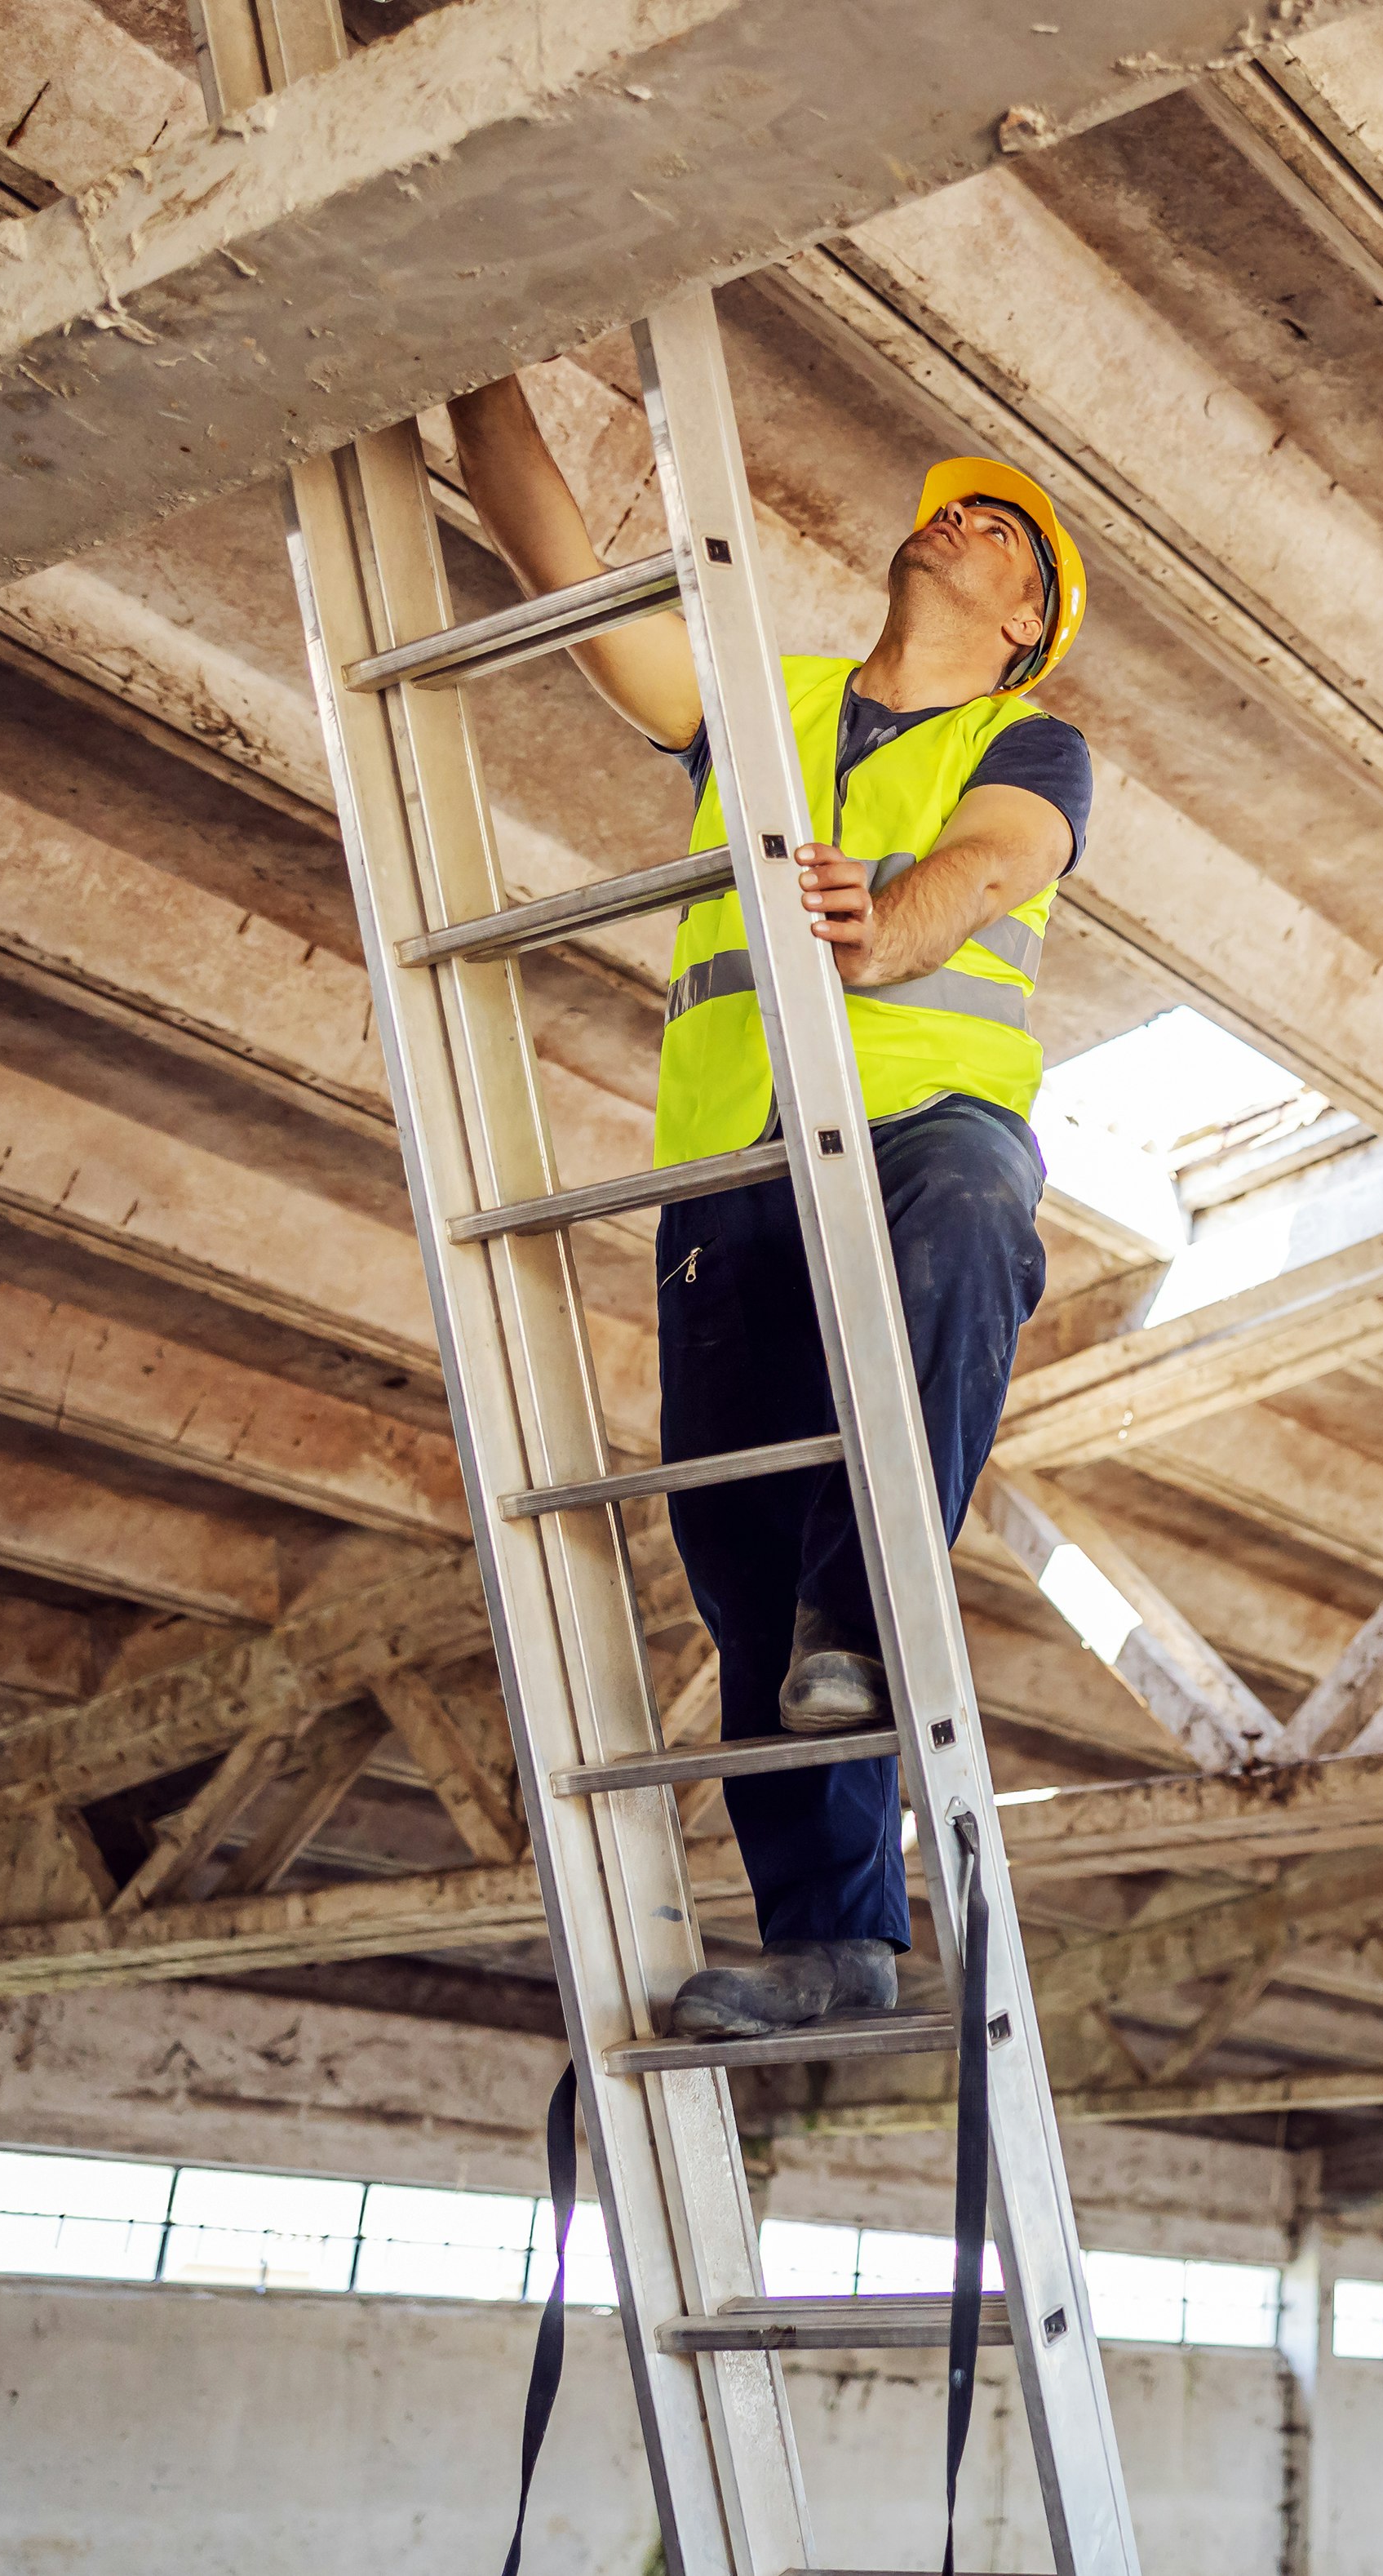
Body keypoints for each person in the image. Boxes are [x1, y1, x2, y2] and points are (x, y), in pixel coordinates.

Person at [451, 377, 1094, 2037]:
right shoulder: (770, 707)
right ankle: (832, 1942)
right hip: (733, 1177)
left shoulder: (1023, 740)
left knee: (962, 1218)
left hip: (921, 1138)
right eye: (951, 501)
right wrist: (470, 373)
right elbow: (563, 579)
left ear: (1022, 623)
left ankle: (867, 1609)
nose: (955, 514)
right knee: (740, 1556)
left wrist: (893, 925)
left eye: (998, 530)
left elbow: (1003, 862)